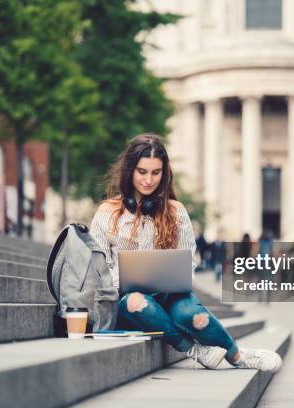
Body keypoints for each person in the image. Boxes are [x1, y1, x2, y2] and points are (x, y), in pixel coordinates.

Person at [90, 134, 282, 372]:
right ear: (130, 170)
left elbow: (187, 263)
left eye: (156, 173)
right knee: (137, 301)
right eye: (142, 172)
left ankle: (238, 355)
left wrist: (169, 281)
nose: (149, 180)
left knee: (194, 316)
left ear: (164, 173)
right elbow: (98, 270)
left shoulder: (176, 211)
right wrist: (129, 281)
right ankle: (195, 350)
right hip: (126, 302)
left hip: (169, 294)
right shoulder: (106, 213)